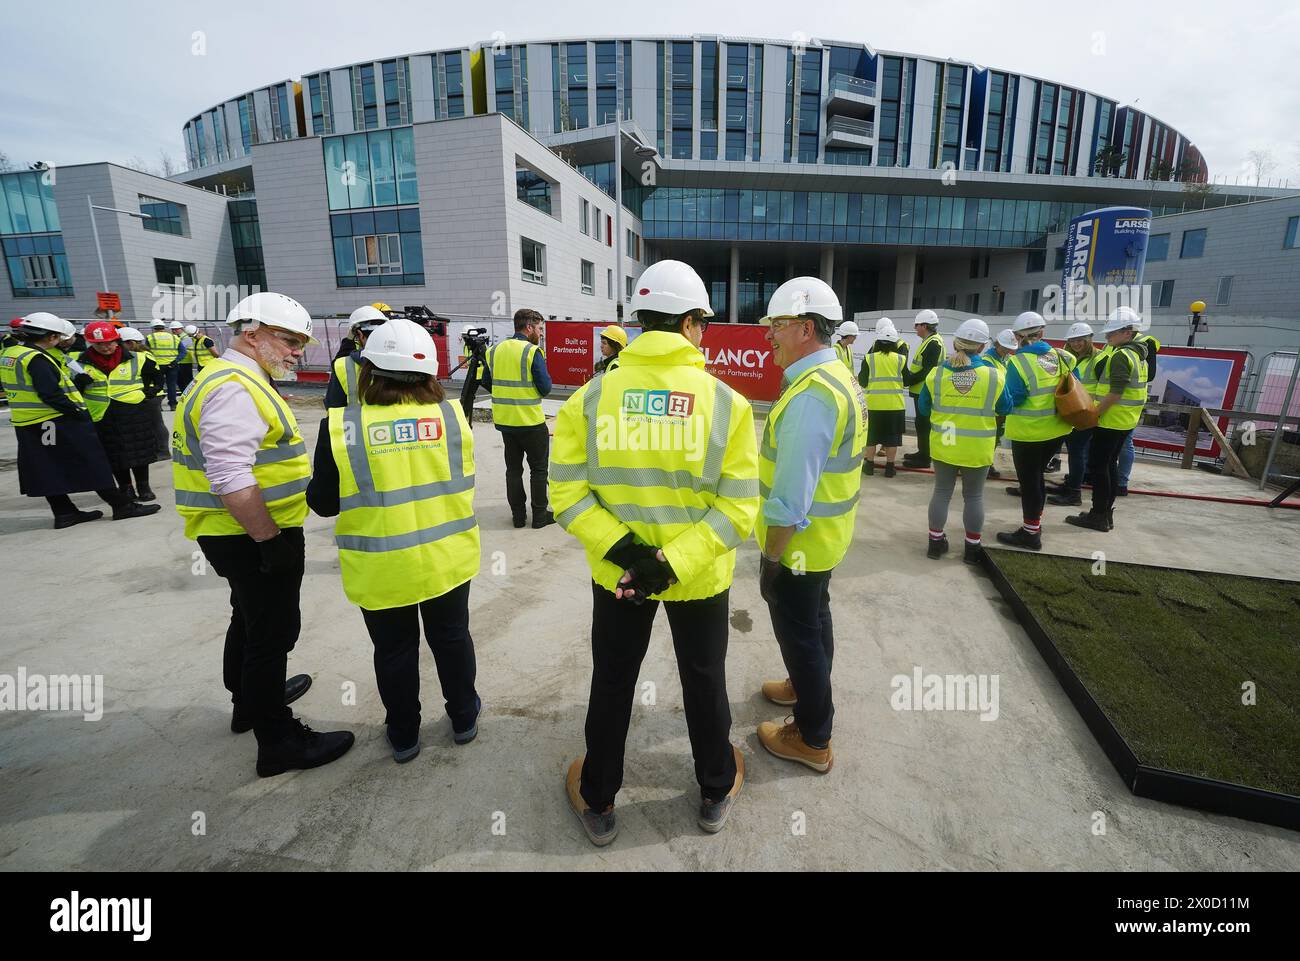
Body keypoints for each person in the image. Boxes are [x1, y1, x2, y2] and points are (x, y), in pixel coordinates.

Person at [550, 259, 758, 845]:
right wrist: (669, 563)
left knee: (613, 681)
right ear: (693, 323)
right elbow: (738, 509)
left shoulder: (588, 400)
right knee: (704, 681)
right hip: (697, 577)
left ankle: (598, 800)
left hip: (620, 577)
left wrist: (630, 554)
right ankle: (715, 790)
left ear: (641, 322)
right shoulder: (727, 405)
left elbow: (564, 493)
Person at [172, 291, 354, 777]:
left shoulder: (230, 377)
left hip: (232, 532)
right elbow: (231, 476)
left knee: (248, 618)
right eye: (288, 340)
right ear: (250, 334)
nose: (298, 351)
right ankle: (277, 741)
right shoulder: (235, 388)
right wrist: (269, 540)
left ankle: (248, 703)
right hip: (249, 534)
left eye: (301, 343)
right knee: (273, 633)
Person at [306, 318, 481, 763]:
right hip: (446, 557)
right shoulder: (452, 417)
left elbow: (324, 504)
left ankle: (404, 734)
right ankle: (464, 717)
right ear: (428, 371)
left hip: (383, 566)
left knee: (395, 650)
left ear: (367, 369)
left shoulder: (342, 427)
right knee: (453, 638)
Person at [755, 277, 867, 776]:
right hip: (826, 539)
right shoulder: (837, 376)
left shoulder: (813, 395)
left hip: (800, 543)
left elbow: (790, 498)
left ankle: (813, 736)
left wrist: (772, 557)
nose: (769, 337)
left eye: (776, 326)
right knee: (815, 622)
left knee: (800, 630)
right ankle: (806, 685)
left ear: (804, 328)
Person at [0, 312, 159, 528]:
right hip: (53, 420)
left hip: (28, 421)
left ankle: (64, 513)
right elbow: (50, 394)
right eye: (57, 337)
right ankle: (122, 506)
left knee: (47, 467)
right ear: (50, 337)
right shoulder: (36, 358)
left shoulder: (10, 353)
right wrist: (77, 412)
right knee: (91, 461)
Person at [919, 319, 1009, 563]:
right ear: (981, 347)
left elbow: (924, 408)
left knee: (941, 492)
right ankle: (972, 549)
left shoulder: (936, 374)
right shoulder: (994, 376)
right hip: (977, 448)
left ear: (955, 343)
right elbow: (1006, 407)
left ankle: (935, 544)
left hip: (944, 444)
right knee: (974, 496)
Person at [996, 311, 1076, 551]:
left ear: (1018, 336)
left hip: (1028, 433)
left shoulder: (1017, 362)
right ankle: (1034, 525)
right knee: (1037, 479)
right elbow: (1073, 384)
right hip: (1058, 430)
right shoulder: (1063, 356)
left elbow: (1015, 397)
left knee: (1030, 483)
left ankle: (1030, 534)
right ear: (1042, 333)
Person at [1066, 309, 1148, 532]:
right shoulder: (1139, 355)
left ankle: (1098, 515)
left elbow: (1115, 393)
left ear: (1128, 332)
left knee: (1098, 467)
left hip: (1111, 421)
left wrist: (1095, 413)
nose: (1108, 336)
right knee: (1109, 465)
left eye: (1113, 332)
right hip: (1123, 421)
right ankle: (1105, 514)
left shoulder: (1122, 355)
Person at [480, 308, 554, 529]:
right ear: (529, 327)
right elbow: (546, 388)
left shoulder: (493, 351)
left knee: (513, 470)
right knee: (538, 470)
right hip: (531, 422)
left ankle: (518, 517)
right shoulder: (532, 352)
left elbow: (486, 381)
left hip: (506, 424)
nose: (540, 334)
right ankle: (540, 517)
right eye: (539, 329)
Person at [76, 321, 166, 502]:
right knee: (114, 453)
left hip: (133, 411)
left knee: (139, 450)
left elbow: (157, 377)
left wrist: (151, 391)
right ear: (91, 343)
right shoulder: (79, 363)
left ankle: (143, 486)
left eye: (109, 342)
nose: (105, 347)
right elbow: (71, 389)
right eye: (99, 344)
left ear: (117, 340)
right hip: (102, 413)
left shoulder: (137, 358)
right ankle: (126, 488)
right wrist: (80, 383)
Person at [1047, 322, 1102, 508]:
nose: (1076, 343)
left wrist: (1095, 411)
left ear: (1089, 339)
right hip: (1067, 410)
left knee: (1077, 452)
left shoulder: (1099, 359)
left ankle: (1074, 493)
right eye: (1072, 340)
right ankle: (1070, 486)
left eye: (1080, 340)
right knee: (1071, 451)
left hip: (1084, 413)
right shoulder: (1066, 357)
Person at [1119, 307, 1159, 496]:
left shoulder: (1145, 342)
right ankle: (1116, 481)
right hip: (1118, 401)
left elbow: (1150, 375)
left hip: (1127, 402)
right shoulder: (1116, 340)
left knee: (1125, 443)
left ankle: (1120, 482)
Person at [860, 317, 907, 477]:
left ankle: (869, 466)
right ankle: (889, 468)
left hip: (873, 405)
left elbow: (862, 381)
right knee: (892, 439)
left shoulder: (869, 358)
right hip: (894, 406)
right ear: (895, 344)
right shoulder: (901, 359)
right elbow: (906, 379)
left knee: (871, 438)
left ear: (877, 342)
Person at [902, 309, 946, 468]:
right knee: (921, 423)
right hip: (920, 390)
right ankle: (922, 453)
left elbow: (928, 371)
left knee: (924, 423)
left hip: (924, 391)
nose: (915, 328)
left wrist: (908, 379)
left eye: (917, 325)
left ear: (925, 326)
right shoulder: (931, 341)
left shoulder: (933, 343)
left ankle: (925, 458)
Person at [324, 305, 387, 408]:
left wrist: (349, 340)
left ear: (359, 334)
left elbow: (332, 405)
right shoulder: (403, 358)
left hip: (357, 422)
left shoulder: (345, 365)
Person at [981, 328, 1018, 479]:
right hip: (991, 409)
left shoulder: (1005, 359)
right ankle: (985, 465)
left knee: (994, 439)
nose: (1008, 351)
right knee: (987, 439)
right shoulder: (987, 361)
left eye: (1010, 348)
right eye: (1005, 348)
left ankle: (987, 463)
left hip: (1000, 408)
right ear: (997, 344)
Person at [145, 320, 185, 409]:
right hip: (172, 365)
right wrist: (175, 361)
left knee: (158, 385)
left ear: (153, 328)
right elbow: (183, 352)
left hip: (157, 365)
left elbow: (146, 352)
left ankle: (158, 405)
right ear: (164, 327)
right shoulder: (174, 337)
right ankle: (173, 404)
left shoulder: (150, 337)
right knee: (172, 385)